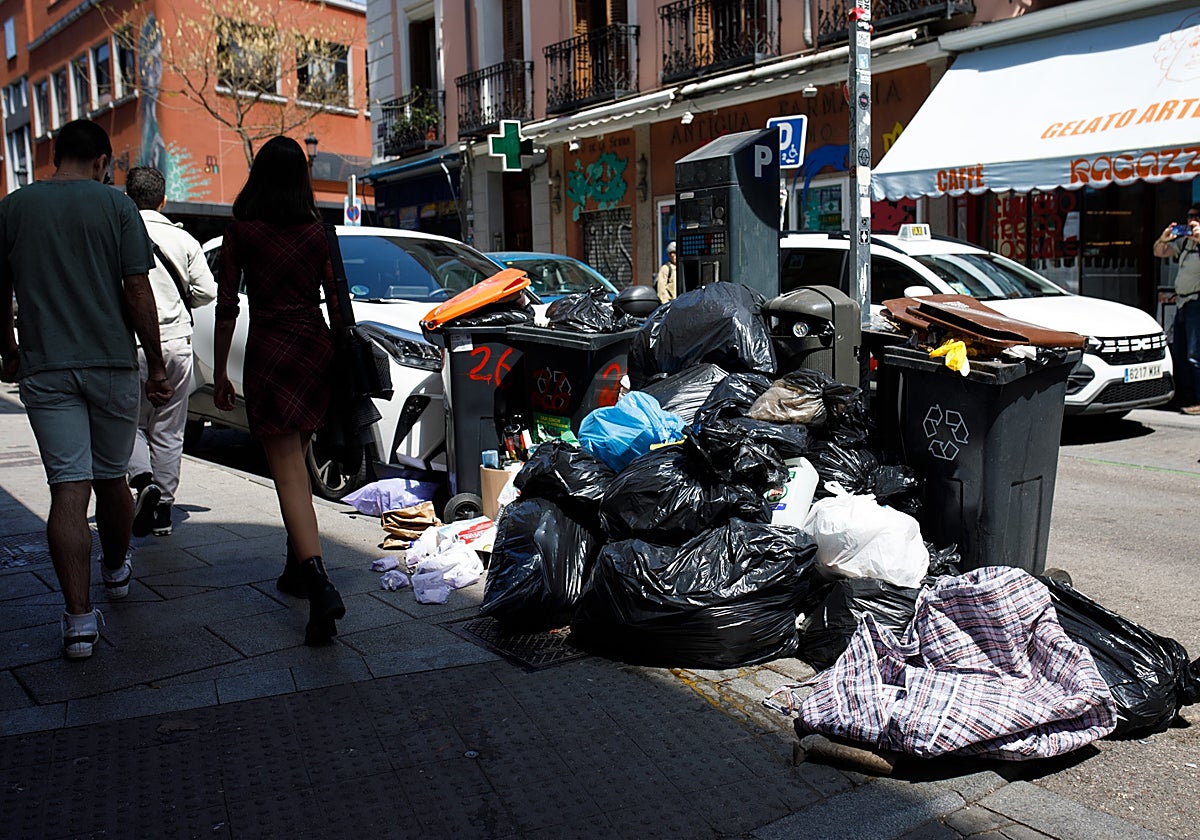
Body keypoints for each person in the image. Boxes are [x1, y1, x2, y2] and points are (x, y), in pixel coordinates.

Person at [0, 119, 172, 660]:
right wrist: (158, 363)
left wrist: (8, 348)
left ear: (54, 154)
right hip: (112, 365)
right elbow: (137, 288)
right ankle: (116, 570)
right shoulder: (117, 207)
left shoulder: (14, 207)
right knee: (112, 480)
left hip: (46, 366)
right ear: (102, 161)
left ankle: (77, 621)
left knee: (67, 492)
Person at [212, 135, 346, 646]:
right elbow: (337, 301)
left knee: (289, 475)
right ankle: (295, 569)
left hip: (269, 351)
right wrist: (339, 361)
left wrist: (221, 369)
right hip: (315, 351)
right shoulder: (317, 233)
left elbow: (227, 307)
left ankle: (318, 582)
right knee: (298, 466)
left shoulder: (241, 233)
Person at [124, 166, 218, 537]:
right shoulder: (185, 241)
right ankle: (163, 510)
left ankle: (141, 476)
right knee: (169, 427)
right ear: (163, 200)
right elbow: (207, 292)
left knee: (127, 423)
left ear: (129, 197)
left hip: (130, 344)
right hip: (176, 343)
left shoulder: (119, 233)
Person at [1153, 203, 1200, 415]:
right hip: (1183, 303)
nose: (1191, 221)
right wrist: (1164, 238)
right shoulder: (1186, 244)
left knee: (1194, 354)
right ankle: (1188, 398)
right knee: (1180, 354)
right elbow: (1158, 252)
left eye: (1197, 217)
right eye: (1189, 216)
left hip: (1197, 303)